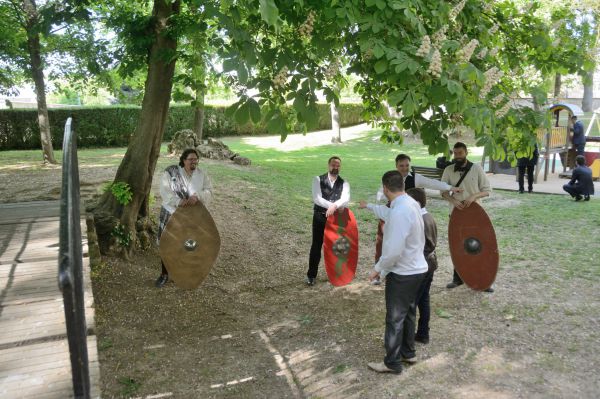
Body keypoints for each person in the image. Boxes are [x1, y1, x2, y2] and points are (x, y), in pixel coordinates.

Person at [360, 171, 428, 374]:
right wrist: (370, 207)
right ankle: (408, 352)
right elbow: (387, 214)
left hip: (403, 273)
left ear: (385, 188)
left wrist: (377, 270)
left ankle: (392, 362)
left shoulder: (400, 211)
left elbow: (392, 252)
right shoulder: (409, 203)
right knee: (408, 313)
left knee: (395, 318)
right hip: (417, 270)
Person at [373, 154, 461, 281]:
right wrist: (380, 200)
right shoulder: (391, 178)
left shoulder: (415, 178)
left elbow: (433, 183)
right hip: (391, 213)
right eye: (401, 165)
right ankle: (379, 271)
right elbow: (381, 192)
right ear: (396, 166)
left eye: (407, 165)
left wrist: (451, 188)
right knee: (383, 242)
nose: (404, 168)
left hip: (408, 216)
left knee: (405, 243)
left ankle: (401, 270)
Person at [156, 148, 212, 288]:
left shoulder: (201, 174)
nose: (194, 162)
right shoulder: (171, 173)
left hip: (192, 215)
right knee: (166, 244)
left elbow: (209, 191)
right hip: (172, 212)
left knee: (187, 244)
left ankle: (181, 273)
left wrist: (197, 196)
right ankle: (164, 274)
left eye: (195, 159)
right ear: (183, 160)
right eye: (190, 159)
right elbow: (164, 191)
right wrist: (178, 201)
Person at [440, 142, 492, 292]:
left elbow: (487, 190)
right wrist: (453, 201)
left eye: (460, 153)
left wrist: (474, 196)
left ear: (466, 152)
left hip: (476, 215)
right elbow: (443, 192)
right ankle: (457, 279)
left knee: (480, 247)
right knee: (458, 246)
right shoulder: (448, 170)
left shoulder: (477, 169)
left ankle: (484, 280)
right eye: (455, 153)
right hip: (456, 214)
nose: (457, 156)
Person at [306, 156, 350, 286]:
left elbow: (346, 198)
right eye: (333, 165)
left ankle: (336, 275)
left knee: (336, 247)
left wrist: (334, 206)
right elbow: (317, 198)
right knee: (316, 246)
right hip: (320, 217)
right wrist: (332, 206)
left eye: (338, 165)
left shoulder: (344, 182)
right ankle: (311, 275)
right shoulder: (318, 179)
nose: (335, 167)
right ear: (328, 165)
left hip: (336, 219)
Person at [406, 188, 437, 345]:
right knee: (424, 299)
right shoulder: (428, 216)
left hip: (422, 266)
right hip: (430, 263)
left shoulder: (420, 220)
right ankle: (423, 333)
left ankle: (407, 339)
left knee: (411, 302)